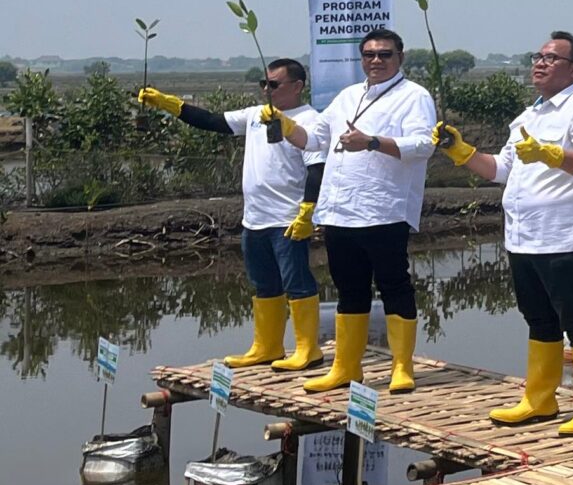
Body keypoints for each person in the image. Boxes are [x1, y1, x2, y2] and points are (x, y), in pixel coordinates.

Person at [436, 32, 573, 436]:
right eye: (538, 56)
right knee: (536, 317)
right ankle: (540, 398)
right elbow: (502, 169)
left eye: (552, 58)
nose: (541, 63)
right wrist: (462, 152)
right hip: (522, 235)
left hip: (565, 234)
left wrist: (553, 154)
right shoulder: (528, 115)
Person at [137, 59, 326, 370]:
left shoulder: (310, 120)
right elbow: (211, 120)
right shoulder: (255, 115)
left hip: (287, 219)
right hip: (255, 218)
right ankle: (267, 346)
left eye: (274, 84)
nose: (267, 90)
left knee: (297, 281)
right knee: (263, 283)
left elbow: (316, 169)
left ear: (297, 86)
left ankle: (308, 349)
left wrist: (308, 209)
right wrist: (167, 103)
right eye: (264, 84)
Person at [279, 28, 440, 395]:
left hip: (383, 209)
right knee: (349, 289)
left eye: (384, 54)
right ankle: (347, 367)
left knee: (394, 284)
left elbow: (422, 145)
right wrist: (286, 126)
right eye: (368, 54)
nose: (376, 61)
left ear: (400, 57)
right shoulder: (348, 95)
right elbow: (317, 136)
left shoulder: (414, 96)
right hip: (340, 211)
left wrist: (371, 142)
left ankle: (402, 366)